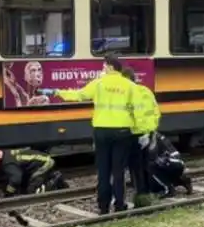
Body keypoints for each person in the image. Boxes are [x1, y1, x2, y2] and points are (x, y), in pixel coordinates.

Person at [40, 53, 137, 214]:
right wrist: (138, 129)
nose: (102, 68)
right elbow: (137, 109)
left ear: (111, 67)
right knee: (118, 171)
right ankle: (120, 205)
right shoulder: (129, 86)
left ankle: (103, 207)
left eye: (104, 65)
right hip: (122, 132)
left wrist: (56, 92)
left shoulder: (98, 84)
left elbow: (78, 95)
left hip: (101, 132)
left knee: (103, 171)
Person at [122, 67, 161, 199]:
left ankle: (141, 193)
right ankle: (148, 190)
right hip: (148, 133)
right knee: (147, 164)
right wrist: (152, 130)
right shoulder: (146, 91)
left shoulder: (127, 94)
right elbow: (156, 111)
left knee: (135, 165)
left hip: (134, 134)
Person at [0, 146, 69, 197]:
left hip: (45, 163)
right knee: (26, 185)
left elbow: (16, 179)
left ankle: (55, 180)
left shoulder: (7, 164)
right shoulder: (6, 153)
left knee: (32, 193)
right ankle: (52, 177)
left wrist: (9, 193)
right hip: (42, 160)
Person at [147, 132, 193, 197]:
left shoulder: (153, 138)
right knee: (156, 167)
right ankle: (182, 181)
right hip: (177, 163)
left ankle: (168, 189)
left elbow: (152, 154)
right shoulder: (159, 135)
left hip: (170, 162)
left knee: (150, 166)